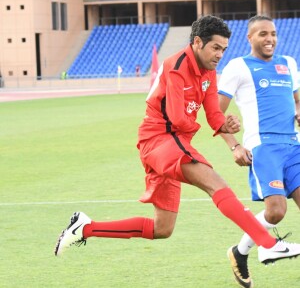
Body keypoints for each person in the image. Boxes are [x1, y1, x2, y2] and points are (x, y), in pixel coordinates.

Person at [54, 16, 300, 279]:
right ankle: (268, 244)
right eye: (215, 48)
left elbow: (213, 114)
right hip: (159, 139)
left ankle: (85, 228)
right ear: (197, 42)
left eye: (224, 49)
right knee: (214, 182)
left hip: (173, 143)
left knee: (162, 228)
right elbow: (177, 118)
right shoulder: (175, 66)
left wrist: (227, 128)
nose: (220, 55)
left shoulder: (209, 72)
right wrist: (205, 129)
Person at [218, 15, 300, 288]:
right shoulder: (238, 67)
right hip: (263, 147)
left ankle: (248, 251)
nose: (270, 39)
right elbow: (215, 112)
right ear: (249, 38)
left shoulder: (288, 63)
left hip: (293, 146)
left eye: (273, 33)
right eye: (263, 34)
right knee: (276, 212)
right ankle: (240, 253)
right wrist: (235, 145)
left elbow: (298, 102)